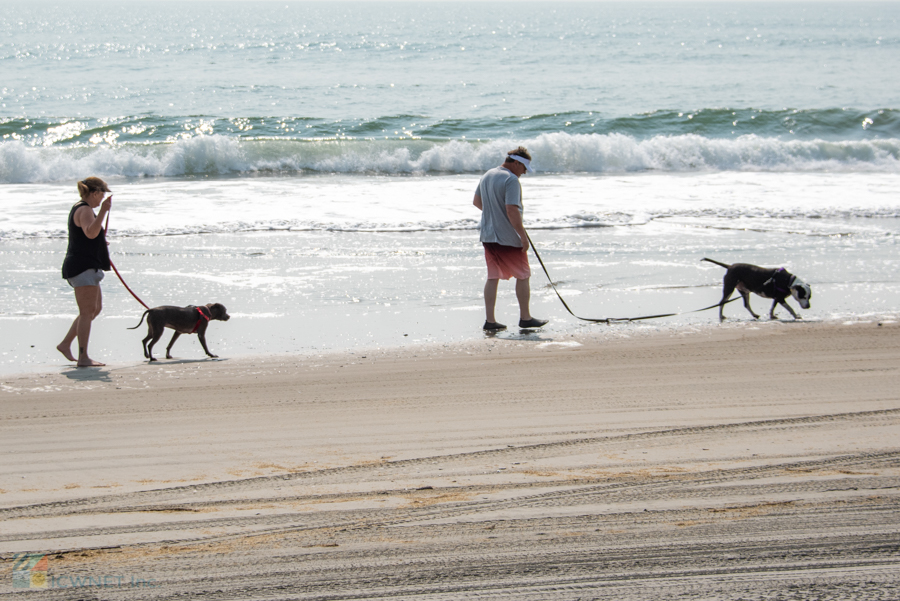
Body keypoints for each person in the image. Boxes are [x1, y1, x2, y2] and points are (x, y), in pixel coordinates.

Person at [473, 147, 548, 331]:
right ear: (516, 163)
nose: (524, 172)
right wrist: (523, 237)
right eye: (523, 168)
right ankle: (525, 317)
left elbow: (477, 202)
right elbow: (512, 209)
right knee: (523, 275)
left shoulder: (487, 175)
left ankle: (490, 321)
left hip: (488, 235)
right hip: (506, 237)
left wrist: (494, 214)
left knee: (492, 276)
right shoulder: (511, 179)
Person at [58, 177, 112, 367]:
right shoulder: (85, 209)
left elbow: (88, 236)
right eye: (102, 194)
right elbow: (90, 232)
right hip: (82, 266)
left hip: (84, 264)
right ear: (95, 193)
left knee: (94, 309)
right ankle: (83, 357)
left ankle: (65, 344)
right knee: (87, 311)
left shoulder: (82, 209)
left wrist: (99, 243)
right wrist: (104, 211)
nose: (102, 199)